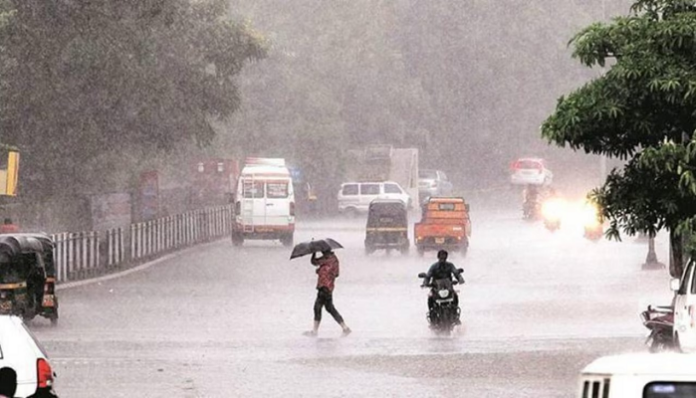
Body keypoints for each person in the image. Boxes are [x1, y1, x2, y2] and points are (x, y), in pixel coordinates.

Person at [304, 249, 351, 337]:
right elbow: (336, 273)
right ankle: (345, 327)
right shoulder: (333, 259)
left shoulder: (327, 259)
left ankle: (314, 331)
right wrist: (321, 269)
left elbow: (315, 262)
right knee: (330, 308)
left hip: (324, 286)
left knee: (317, 307)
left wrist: (323, 271)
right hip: (329, 287)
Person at [422, 250, 464, 323]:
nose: (442, 259)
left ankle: (455, 315)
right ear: (438, 257)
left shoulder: (450, 265)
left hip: (448, 287)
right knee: (430, 298)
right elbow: (428, 275)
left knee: (455, 295)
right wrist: (425, 283)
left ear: (446, 257)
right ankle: (432, 315)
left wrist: (460, 279)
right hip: (436, 288)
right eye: (441, 257)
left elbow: (456, 272)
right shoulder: (433, 266)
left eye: (444, 257)